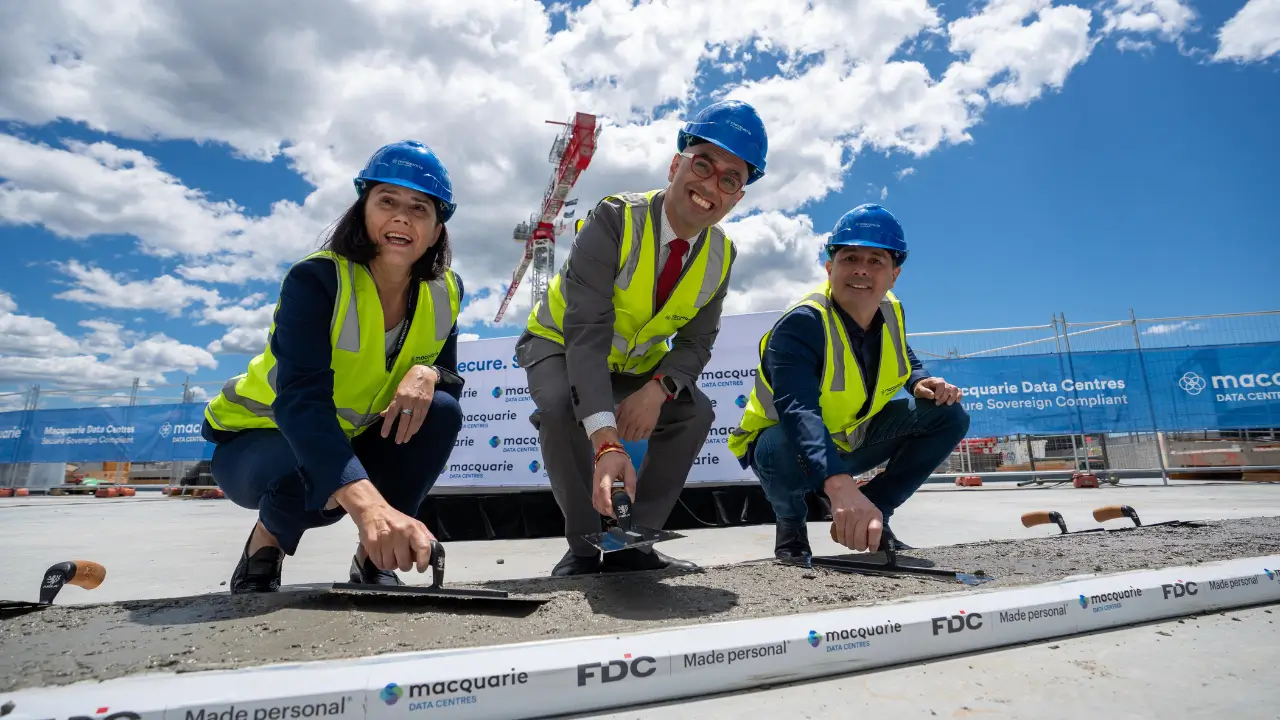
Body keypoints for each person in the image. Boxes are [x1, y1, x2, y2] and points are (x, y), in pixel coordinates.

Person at [515, 100, 770, 576]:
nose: (710, 185)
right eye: (702, 165)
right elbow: (586, 333)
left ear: (736, 198)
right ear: (675, 166)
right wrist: (606, 441)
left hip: (634, 366)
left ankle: (634, 544)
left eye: (730, 180)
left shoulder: (721, 255)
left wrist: (659, 389)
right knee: (560, 406)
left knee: (695, 412)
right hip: (559, 344)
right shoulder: (615, 218)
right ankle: (584, 550)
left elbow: (696, 343)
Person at [201, 140, 467, 593]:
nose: (402, 217)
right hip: (263, 438)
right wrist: (367, 506)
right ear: (363, 211)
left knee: (441, 412)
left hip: (347, 437)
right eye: (387, 201)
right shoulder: (319, 279)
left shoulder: (445, 291)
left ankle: (376, 557)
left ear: (436, 229)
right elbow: (301, 401)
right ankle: (267, 541)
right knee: (317, 478)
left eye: (419, 208)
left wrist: (430, 373)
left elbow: (449, 380)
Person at [727, 204, 969, 564]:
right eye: (850, 258)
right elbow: (798, 410)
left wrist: (919, 380)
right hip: (791, 448)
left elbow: (901, 352)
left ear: (894, 275)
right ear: (830, 268)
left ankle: (877, 510)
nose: (861, 269)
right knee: (777, 442)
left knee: (947, 415)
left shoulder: (890, 309)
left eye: (876, 261)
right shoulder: (802, 324)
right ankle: (791, 527)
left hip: (853, 438)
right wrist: (840, 486)